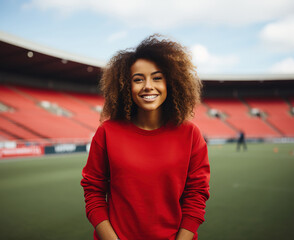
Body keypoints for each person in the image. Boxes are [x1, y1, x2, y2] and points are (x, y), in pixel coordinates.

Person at [81, 34, 210, 240]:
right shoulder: (107, 132)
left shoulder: (190, 134)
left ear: (171, 83)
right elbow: (93, 192)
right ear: (126, 86)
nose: (148, 85)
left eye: (157, 78)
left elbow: (196, 196)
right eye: (138, 79)